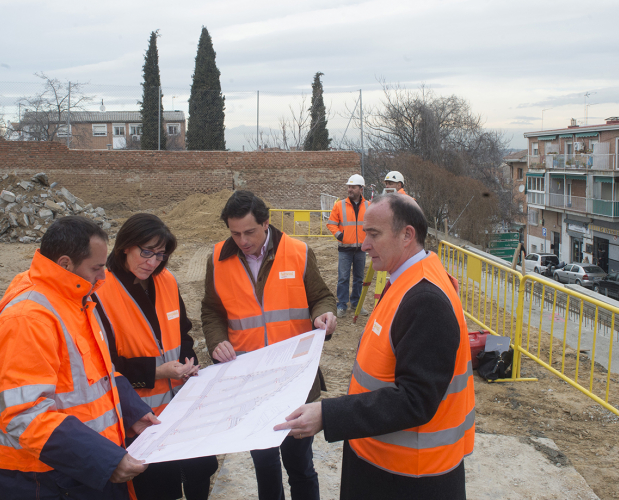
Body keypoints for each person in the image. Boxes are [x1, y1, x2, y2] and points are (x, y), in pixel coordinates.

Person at [275, 194, 475, 500]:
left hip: (409, 477)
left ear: (407, 235)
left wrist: (328, 416)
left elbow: (415, 399)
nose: (364, 245)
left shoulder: (425, 301)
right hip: (384, 460)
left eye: (374, 234)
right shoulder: (404, 281)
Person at [0, 215, 160, 500]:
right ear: (65, 264)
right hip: (43, 481)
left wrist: (133, 412)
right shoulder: (29, 319)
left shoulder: (76, 300)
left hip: (79, 468)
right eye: (96, 268)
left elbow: (100, 373)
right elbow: (26, 416)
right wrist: (103, 460)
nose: (103, 277)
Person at [201, 190, 337, 500]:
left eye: (249, 231)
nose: (243, 240)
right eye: (235, 233)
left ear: (266, 223)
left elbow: (322, 298)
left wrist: (324, 315)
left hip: (295, 380)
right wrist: (216, 340)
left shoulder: (299, 252)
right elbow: (211, 310)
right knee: (264, 464)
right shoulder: (218, 260)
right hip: (251, 384)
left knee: (300, 465)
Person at [92, 213, 219, 500]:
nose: (152, 262)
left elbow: (182, 331)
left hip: (182, 409)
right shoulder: (100, 291)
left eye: (160, 255)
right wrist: (157, 372)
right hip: (140, 416)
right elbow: (103, 365)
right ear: (125, 246)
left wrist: (188, 362)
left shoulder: (167, 281)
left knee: (199, 472)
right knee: (158, 487)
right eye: (146, 252)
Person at [326, 174, 370, 317]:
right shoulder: (339, 205)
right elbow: (331, 223)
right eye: (349, 187)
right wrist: (340, 235)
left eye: (353, 187)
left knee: (359, 278)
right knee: (343, 278)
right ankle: (342, 305)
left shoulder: (369, 206)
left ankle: (356, 304)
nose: (350, 189)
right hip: (345, 249)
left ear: (361, 189)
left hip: (361, 249)